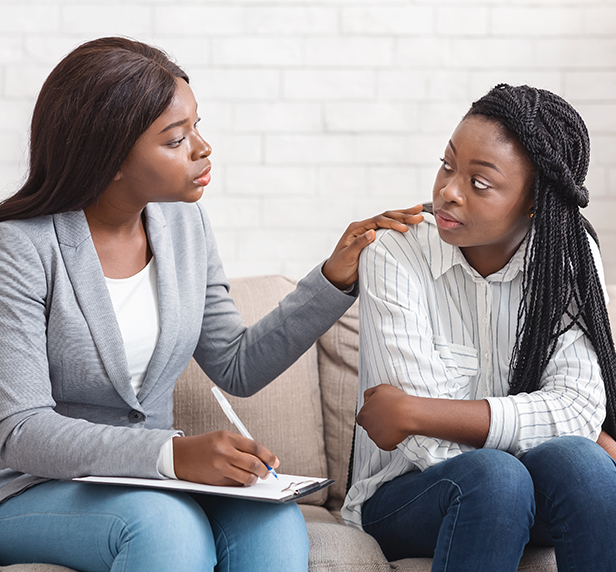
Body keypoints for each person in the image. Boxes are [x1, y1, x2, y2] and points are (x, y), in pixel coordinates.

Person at [0, 37, 424, 572]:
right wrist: (172, 455)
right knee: (165, 530)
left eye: (198, 127)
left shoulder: (183, 226)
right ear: (107, 157)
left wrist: (334, 279)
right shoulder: (19, 248)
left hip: (149, 482)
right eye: (176, 140)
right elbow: (21, 430)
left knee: (272, 522)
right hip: (34, 487)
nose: (202, 149)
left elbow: (235, 363)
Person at [342, 84, 616, 572]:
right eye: (447, 165)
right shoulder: (395, 254)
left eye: (479, 182)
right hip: (407, 495)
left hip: (524, 485)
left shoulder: (566, 258)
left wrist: (417, 411)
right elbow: (424, 444)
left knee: (584, 465)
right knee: (498, 477)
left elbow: (579, 408)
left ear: (533, 203)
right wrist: (547, 425)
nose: (448, 190)